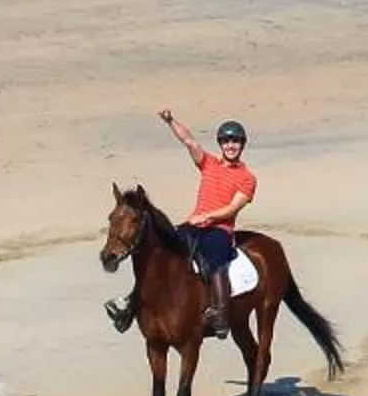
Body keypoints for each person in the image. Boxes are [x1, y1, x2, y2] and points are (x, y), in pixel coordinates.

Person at [105, 110, 256, 339]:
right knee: (160, 252)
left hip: (219, 230)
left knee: (217, 258)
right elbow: (188, 140)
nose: (230, 145)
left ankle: (220, 313)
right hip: (193, 225)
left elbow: (233, 208)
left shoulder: (247, 178)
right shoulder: (209, 164)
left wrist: (208, 218)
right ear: (221, 144)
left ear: (242, 144)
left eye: (235, 141)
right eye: (226, 141)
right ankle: (131, 303)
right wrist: (170, 121)